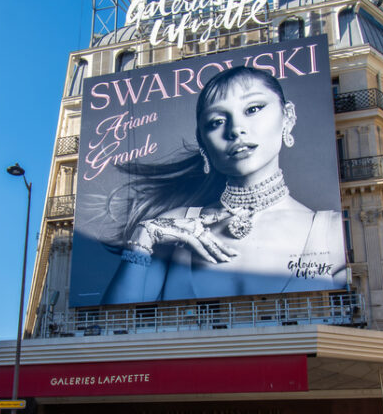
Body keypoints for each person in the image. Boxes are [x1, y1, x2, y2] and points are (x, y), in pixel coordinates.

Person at [102, 65, 347, 304]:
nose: (236, 129)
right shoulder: (173, 227)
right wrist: (143, 236)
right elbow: (112, 327)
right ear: (203, 142)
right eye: (217, 122)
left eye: (253, 108)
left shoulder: (331, 233)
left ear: (288, 116)